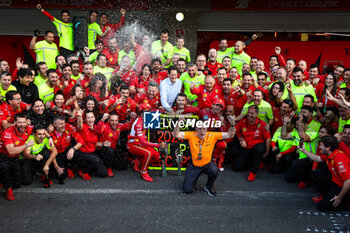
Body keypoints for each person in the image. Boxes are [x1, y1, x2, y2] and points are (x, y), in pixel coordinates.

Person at [173, 114, 235, 196]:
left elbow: (230, 134)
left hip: (207, 164)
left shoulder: (212, 135)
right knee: (187, 189)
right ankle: (191, 179)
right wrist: (178, 122)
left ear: (207, 129)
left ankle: (209, 186)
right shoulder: (191, 135)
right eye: (199, 129)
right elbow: (175, 134)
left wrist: (233, 124)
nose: (202, 132)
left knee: (214, 170)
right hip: (194, 166)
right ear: (196, 129)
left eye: (204, 129)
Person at [300, 136, 350, 211]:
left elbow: (348, 181)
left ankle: (346, 199)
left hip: (344, 185)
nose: (319, 147)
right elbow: (317, 158)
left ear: (328, 147)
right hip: (336, 181)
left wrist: (340, 197)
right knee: (316, 173)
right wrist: (303, 150)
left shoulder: (338, 157)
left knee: (322, 206)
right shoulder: (329, 154)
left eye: (321, 145)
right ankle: (327, 195)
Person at [127, 103, 167, 182]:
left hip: (140, 144)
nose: (150, 113)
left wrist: (166, 111)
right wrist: (158, 145)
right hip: (133, 144)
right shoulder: (139, 123)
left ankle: (137, 161)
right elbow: (143, 142)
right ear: (141, 113)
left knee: (158, 157)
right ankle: (143, 172)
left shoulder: (147, 117)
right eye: (147, 111)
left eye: (150, 111)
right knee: (148, 153)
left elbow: (158, 111)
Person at [0, 113, 34, 200]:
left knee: (17, 184)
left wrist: (49, 138)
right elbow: (11, 151)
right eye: (19, 122)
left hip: (16, 157)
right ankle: (8, 189)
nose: (22, 125)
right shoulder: (7, 132)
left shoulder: (29, 128)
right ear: (15, 122)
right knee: (5, 167)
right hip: (4, 155)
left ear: (27, 122)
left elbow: (41, 129)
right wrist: (26, 145)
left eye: (24, 122)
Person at [234, 105, 271, 181]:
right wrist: (241, 139)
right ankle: (254, 162)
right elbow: (237, 132)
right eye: (248, 113)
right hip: (246, 147)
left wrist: (266, 153)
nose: (249, 115)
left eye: (252, 113)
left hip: (256, 147)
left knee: (259, 148)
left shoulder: (263, 124)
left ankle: (253, 172)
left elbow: (268, 139)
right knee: (236, 167)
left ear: (257, 114)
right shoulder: (243, 122)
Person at [76, 110, 108, 180]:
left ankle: (91, 168)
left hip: (92, 152)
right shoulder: (83, 127)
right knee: (95, 160)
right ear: (85, 119)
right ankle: (83, 171)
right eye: (88, 118)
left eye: (91, 117)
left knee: (103, 173)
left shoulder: (96, 127)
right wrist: (80, 116)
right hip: (82, 153)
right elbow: (79, 126)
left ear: (94, 118)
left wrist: (103, 144)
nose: (90, 119)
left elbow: (97, 136)